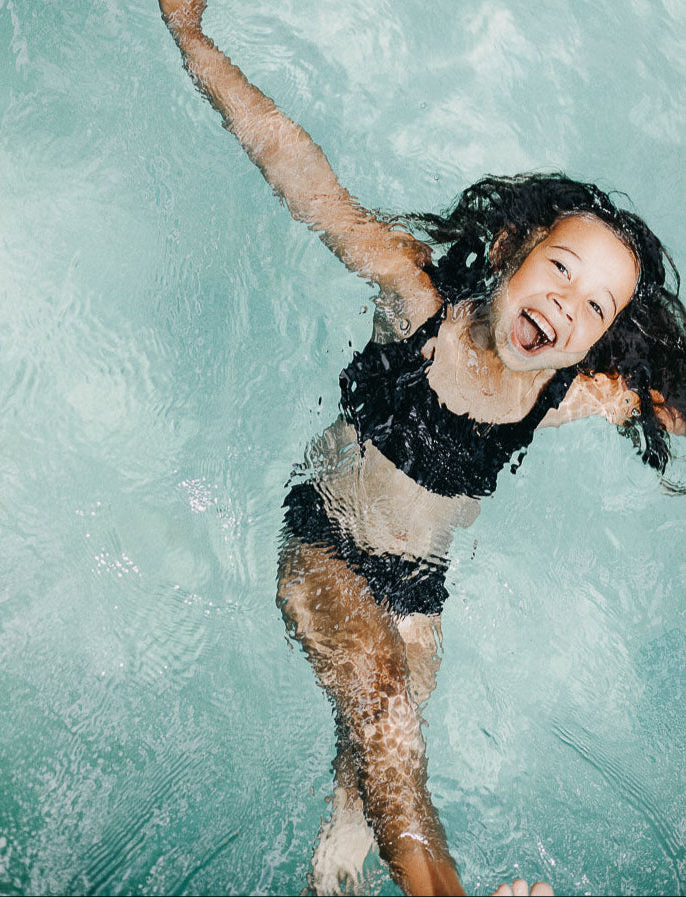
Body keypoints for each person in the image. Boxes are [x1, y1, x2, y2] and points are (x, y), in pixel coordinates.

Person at [158, 3, 686, 895]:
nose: (568, 303)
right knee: (381, 705)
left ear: (594, 344)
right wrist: (191, 39)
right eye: (560, 269)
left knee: (377, 787)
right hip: (326, 541)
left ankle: (344, 865)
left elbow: (667, 404)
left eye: (594, 307)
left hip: (419, 597)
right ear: (509, 248)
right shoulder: (416, 302)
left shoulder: (561, 393)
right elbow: (295, 167)